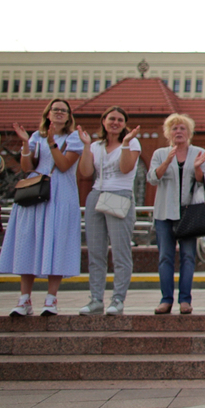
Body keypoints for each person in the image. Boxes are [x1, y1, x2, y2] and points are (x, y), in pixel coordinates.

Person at [0, 99, 83, 316]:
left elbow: (64, 166)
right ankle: (24, 299)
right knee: (28, 242)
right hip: (34, 194)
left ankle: (51, 298)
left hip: (60, 195)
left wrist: (53, 143)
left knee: (56, 243)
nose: (59, 113)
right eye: (55, 110)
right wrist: (26, 144)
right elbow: (27, 168)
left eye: (64, 111)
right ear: (48, 114)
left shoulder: (73, 138)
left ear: (69, 116)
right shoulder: (37, 136)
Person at [76, 106, 142, 316]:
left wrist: (124, 145)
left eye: (120, 120)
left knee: (120, 252)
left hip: (120, 195)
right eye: (111, 118)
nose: (115, 122)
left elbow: (125, 168)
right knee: (95, 252)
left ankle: (117, 299)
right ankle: (96, 299)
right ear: (103, 121)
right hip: (96, 195)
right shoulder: (96, 145)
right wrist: (86, 147)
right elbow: (86, 172)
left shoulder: (131, 142)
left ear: (125, 124)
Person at [147, 114, 205, 314]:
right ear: (168, 133)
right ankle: (166, 299)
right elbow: (152, 179)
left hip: (188, 213)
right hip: (164, 213)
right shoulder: (160, 153)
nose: (179, 132)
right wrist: (167, 161)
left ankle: (185, 300)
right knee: (165, 257)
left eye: (182, 128)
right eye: (174, 129)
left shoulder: (198, 153)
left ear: (189, 132)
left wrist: (198, 168)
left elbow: (204, 182)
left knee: (188, 256)